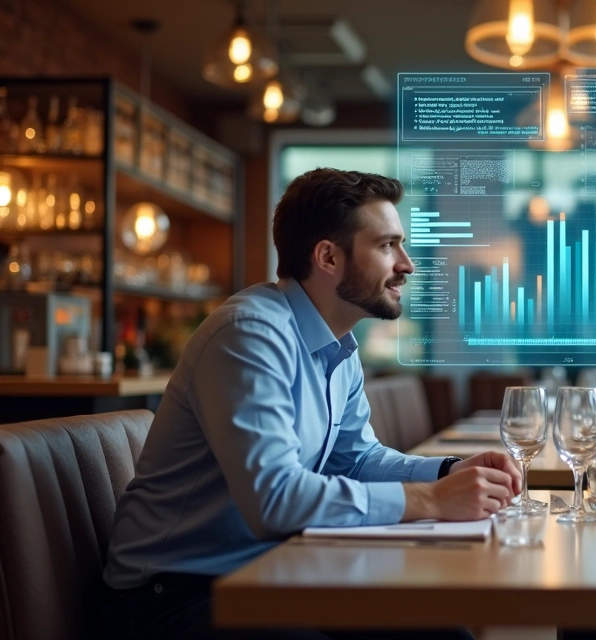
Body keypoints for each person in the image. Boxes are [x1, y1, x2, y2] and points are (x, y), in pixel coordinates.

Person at [101, 168, 521, 640]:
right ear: (327, 256)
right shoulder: (250, 335)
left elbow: (356, 458)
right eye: (387, 245)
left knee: (443, 636)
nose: (407, 264)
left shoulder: (337, 345)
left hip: (272, 570)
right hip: (175, 595)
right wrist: (430, 499)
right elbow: (274, 500)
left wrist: (447, 472)